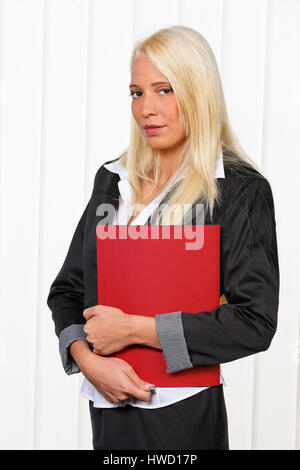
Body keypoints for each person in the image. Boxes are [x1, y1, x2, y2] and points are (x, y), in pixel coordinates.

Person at [47, 25, 280, 450]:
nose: (146, 109)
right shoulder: (112, 181)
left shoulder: (237, 189)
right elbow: (67, 290)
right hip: (107, 408)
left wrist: (134, 330)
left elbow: (254, 321)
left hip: (184, 414)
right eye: (137, 93)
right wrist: (88, 361)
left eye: (165, 90)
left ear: (197, 93)